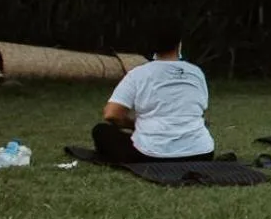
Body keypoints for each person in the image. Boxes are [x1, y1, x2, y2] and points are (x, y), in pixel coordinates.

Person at [92, 22, 214, 164]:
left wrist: (135, 125)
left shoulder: (138, 74)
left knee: (100, 131)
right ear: (179, 44)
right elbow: (199, 111)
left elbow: (111, 114)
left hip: (152, 155)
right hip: (201, 153)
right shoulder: (196, 73)